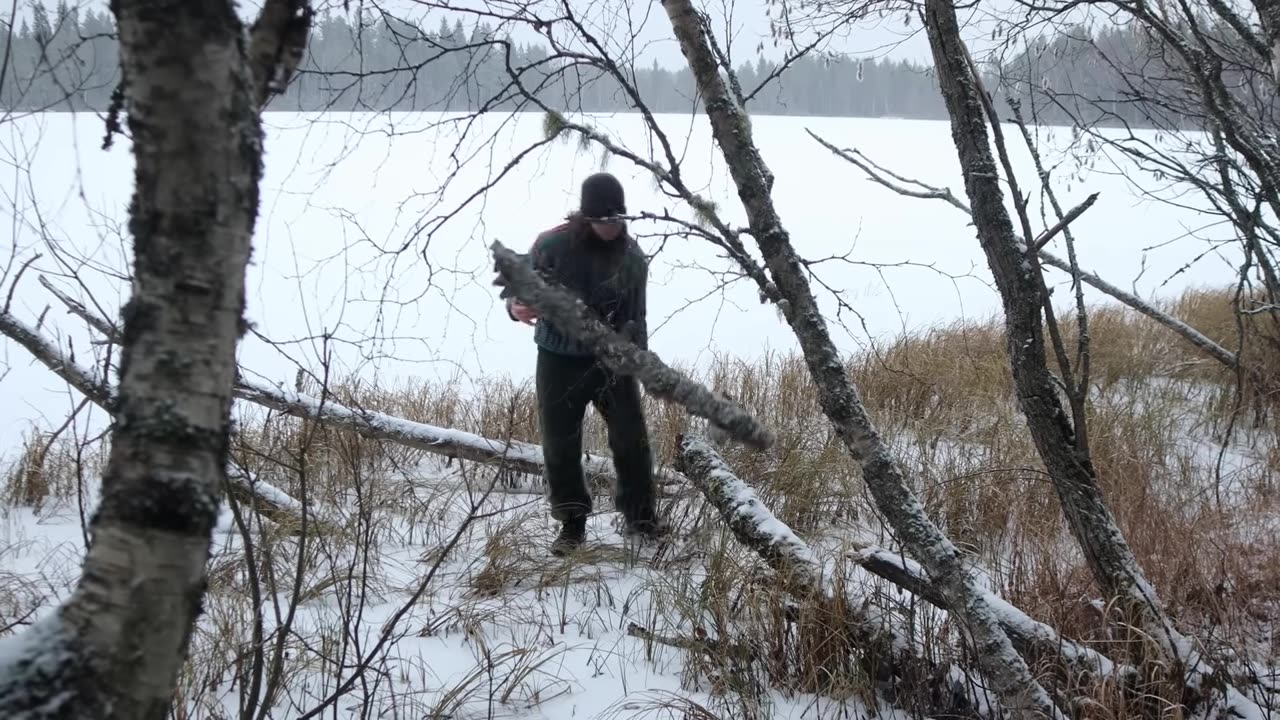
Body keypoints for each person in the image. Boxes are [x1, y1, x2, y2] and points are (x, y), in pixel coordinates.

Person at [503, 172, 667, 556]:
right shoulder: (552, 244)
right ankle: (572, 524)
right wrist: (514, 307)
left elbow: (636, 316)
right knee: (560, 443)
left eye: (617, 220)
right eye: (603, 220)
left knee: (632, 439)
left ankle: (640, 519)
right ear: (586, 216)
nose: (611, 227)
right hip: (558, 359)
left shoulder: (632, 258)